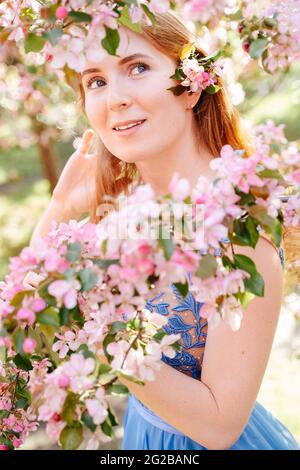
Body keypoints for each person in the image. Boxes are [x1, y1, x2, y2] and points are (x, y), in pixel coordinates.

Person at [30, 12, 299, 450]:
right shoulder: (126, 205)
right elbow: (32, 302)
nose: (114, 98)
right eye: (95, 80)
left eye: (137, 68)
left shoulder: (238, 228)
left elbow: (218, 426)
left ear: (191, 86)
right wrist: (61, 207)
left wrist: (99, 333)